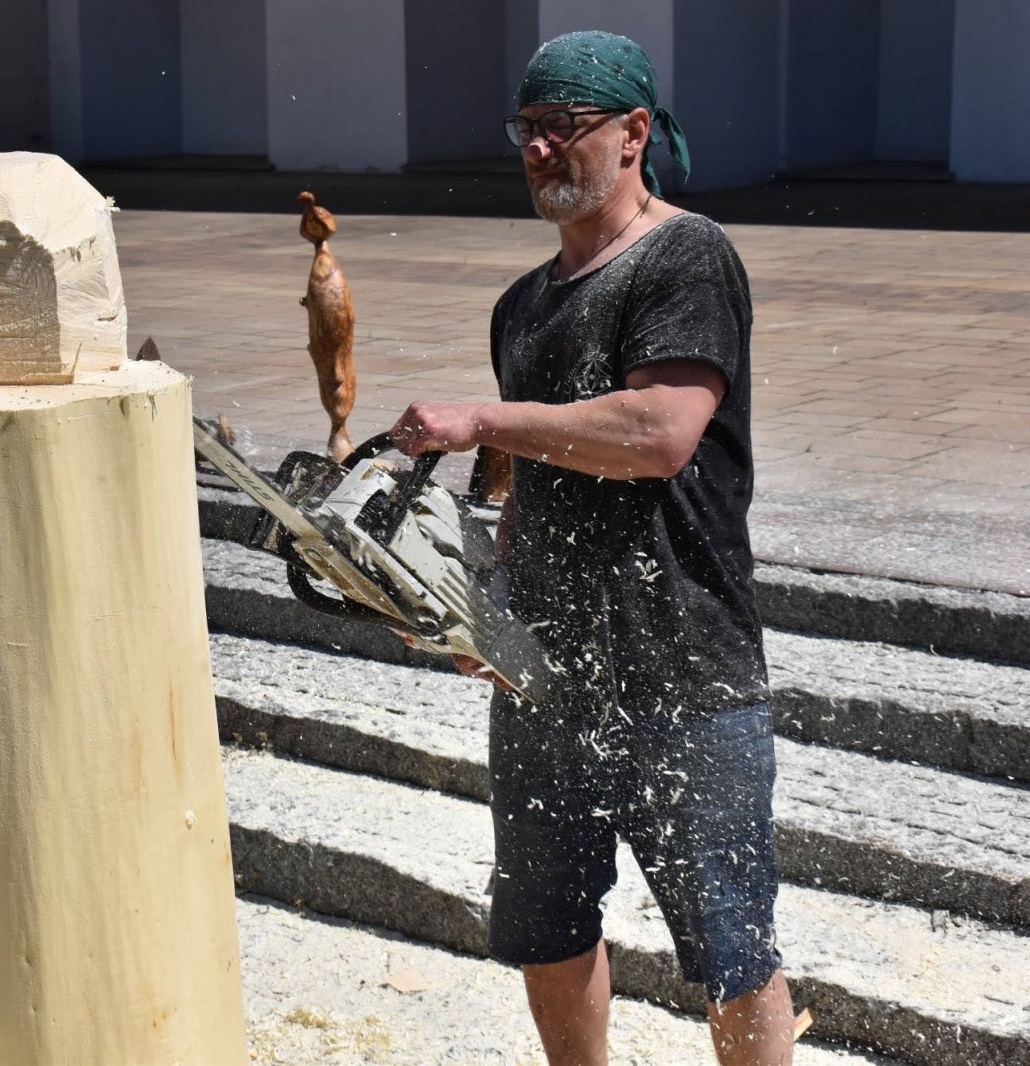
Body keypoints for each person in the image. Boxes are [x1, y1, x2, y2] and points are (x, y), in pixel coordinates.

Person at [388, 31, 796, 1066]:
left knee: (730, 948)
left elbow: (660, 434)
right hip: (546, 677)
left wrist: (482, 417)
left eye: (562, 128)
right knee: (546, 927)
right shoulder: (521, 306)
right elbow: (529, 487)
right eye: (527, 129)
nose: (537, 151)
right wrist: (488, 610)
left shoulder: (685, 256)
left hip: (686, 673)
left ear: (632, 136)